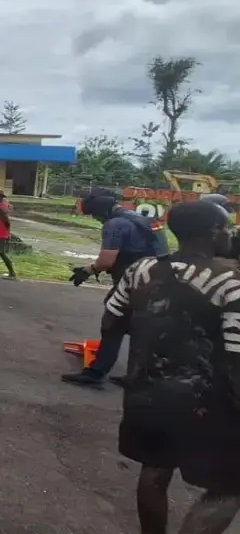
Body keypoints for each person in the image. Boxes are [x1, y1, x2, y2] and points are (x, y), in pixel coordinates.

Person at [103, 200, 240, 534]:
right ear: (213, 232)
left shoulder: (142, 270)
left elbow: (111, 322)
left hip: (147, 392)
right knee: (229, 487)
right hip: (209, 401)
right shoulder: (231, 282)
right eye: (227, 227)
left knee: (154, 470)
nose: (231, 233)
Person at [62, 188, 170, 388]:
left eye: (95, 215)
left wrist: (87, 270)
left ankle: (95, 373)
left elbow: (106, 261)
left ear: (101, 212)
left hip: (134, 280)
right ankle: (137, 375)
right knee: (140, 328)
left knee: (112, 323)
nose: (96, 219)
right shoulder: (142, 219)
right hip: (159, 279)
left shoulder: (115, 224)